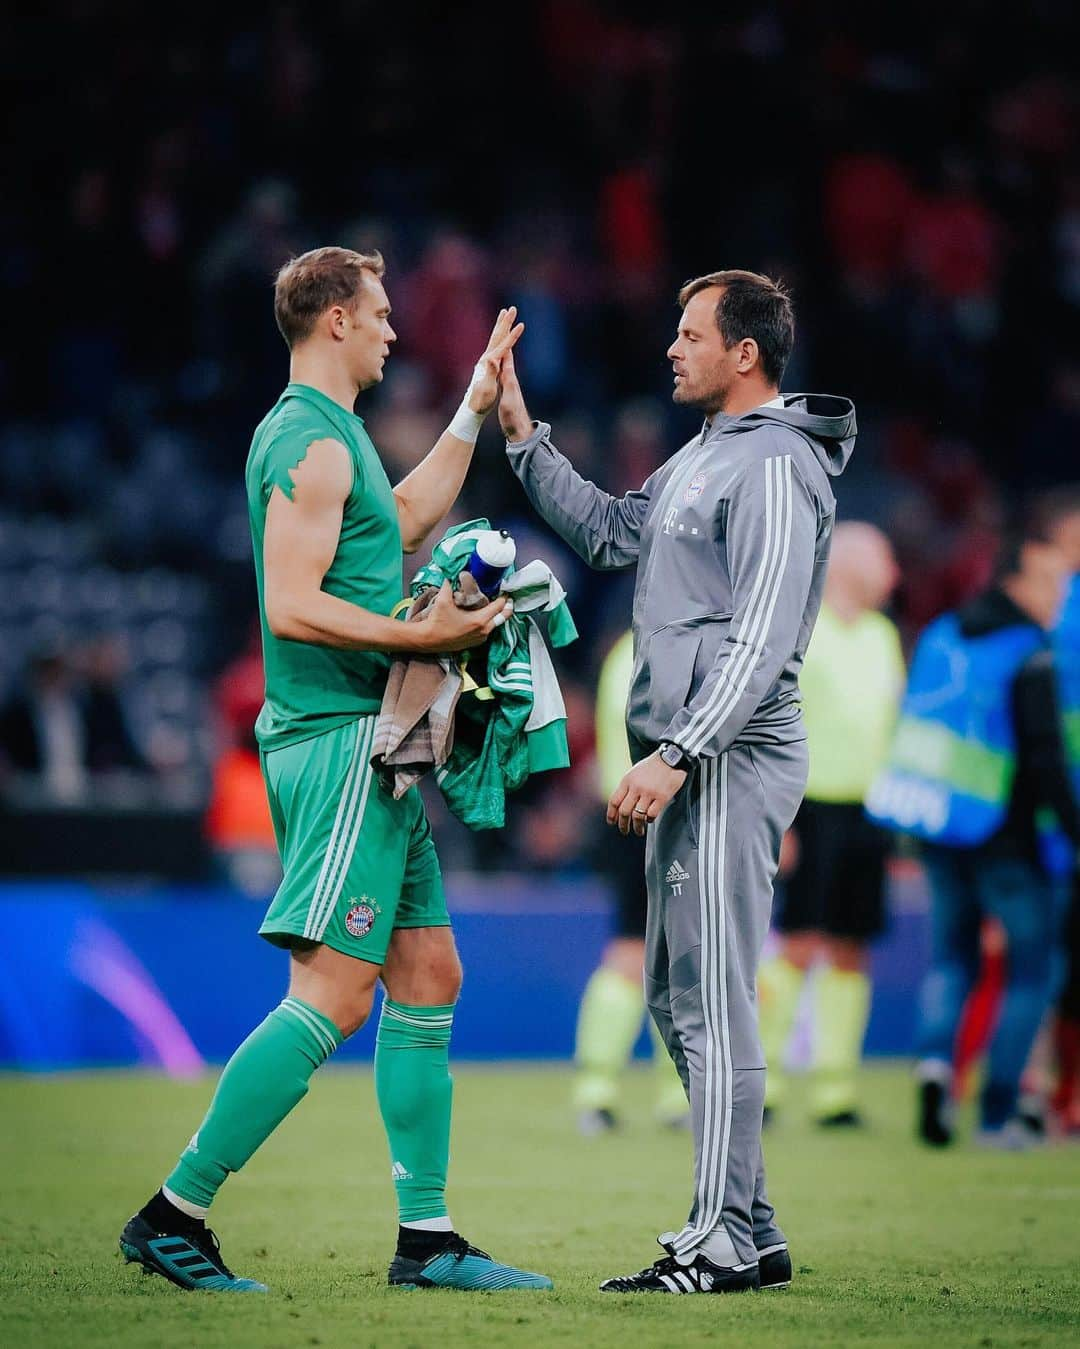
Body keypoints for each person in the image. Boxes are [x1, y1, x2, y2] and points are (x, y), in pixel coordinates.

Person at [120, 246, 553, 1293]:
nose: (395, 330)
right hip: (340, 739)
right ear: (333, 324)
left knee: (429, 973)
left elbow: (399, 527)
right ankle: (173, 1210)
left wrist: (471, 411)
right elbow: (290, 602)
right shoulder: (308, 442)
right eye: (382, 313)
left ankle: (427, 1237)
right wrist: (428, 639)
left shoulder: (338, 440)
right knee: (332, 991)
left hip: (377, 743)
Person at [499, 269, 856, 1293]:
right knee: (673, 992)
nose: (672, 347)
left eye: (691, 332)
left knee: (712, 995)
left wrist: (679, 749)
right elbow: (615, 533)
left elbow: (763, 636)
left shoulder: (780, 464)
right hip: (693, 755)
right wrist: (525, 436)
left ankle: (715, 1242)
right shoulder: (703, 457)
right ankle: (751, 1223)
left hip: (727, 756)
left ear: (745, 352)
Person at [867, 492, 1080, 1148]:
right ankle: (997, 1110)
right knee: (1031, 969)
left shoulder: (944, 634)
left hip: (937, 825)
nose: (1058, 594)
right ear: (1015, 578)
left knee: (951, 959)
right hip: (1007, 835)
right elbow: (1044, 759)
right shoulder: (1031, 652)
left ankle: (935, 1070)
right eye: (1049, 580)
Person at [757, 523, 904, 1127]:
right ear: (850, 567)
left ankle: (834, 1090)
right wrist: (779, 817)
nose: (894, 575)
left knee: (852, 947)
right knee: (797, 943)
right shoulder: (801, 626)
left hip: (869, 809)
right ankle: (760, 1083)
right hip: (808, 807)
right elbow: (770, 723)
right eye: (885, 561)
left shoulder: (882, 635)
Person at [573, 629, 689, 1134]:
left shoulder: (631, 645)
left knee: (646, 955)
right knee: (666, 956)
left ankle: (602, 1092)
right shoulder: (663, 645)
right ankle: (664, 1096)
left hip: (629, 812)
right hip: (651, 814)